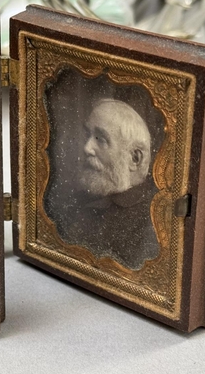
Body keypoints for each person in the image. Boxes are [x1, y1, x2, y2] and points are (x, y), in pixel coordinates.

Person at [59, 99, 159, 270]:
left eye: (100, 139)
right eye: (87, 134)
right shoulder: (82, 196)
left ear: (134, 159)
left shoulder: (152, 222)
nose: (87, 147)